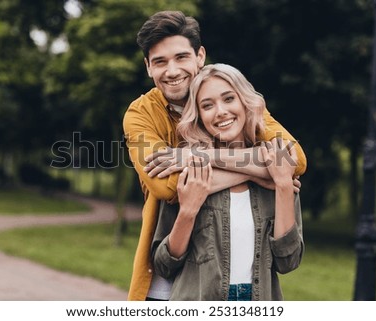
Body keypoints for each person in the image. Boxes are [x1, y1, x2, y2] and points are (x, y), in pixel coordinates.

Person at [123, 11, 306, 301]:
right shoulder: (140, 114)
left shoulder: (239, 103)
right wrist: (260, 170)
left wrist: (200, 156)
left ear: (200, 56)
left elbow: (294, 160)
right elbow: (168, 187)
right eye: (160, 62)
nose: (171, 71)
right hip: (165, 288)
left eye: (181, 57)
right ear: (148, 67)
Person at [151, 63, 304, 300]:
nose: (220, 111)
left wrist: (283, 186)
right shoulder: (189, 171)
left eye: (229, 98)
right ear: (199, 117)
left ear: (245, 102)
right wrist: (188, 212)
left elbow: (289, 261)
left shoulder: (278, 163)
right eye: (207, 106)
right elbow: (164, 265)